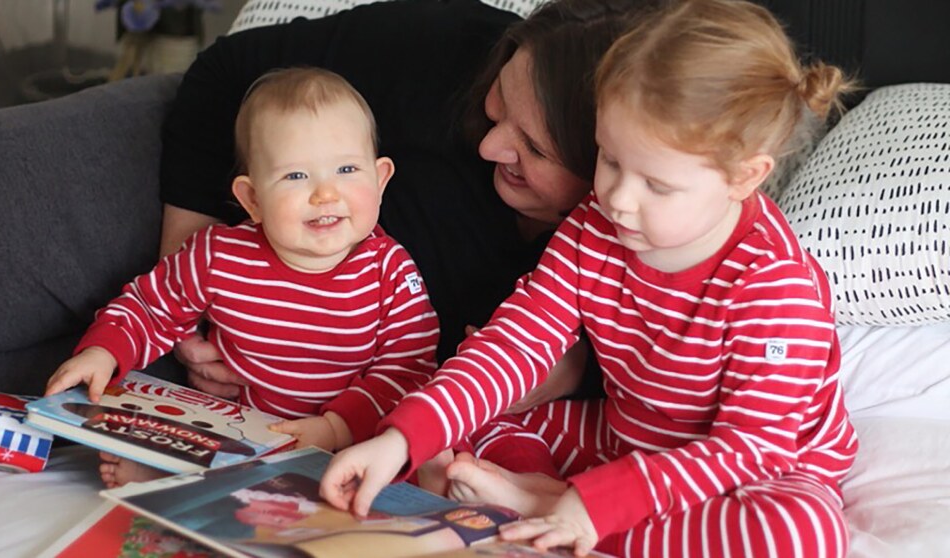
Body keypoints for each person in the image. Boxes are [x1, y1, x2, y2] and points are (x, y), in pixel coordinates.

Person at [320, 1, 860, 556]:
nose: (618, 199)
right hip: (625, 436)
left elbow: (748, 449)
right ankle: (544, 492)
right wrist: (400, 439)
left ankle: (546, 506)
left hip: (747, 473)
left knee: (800, 535)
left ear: (743, 177)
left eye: (657, 184)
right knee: (456, 415)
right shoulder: (595, 226)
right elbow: (517, 342)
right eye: (610, 159)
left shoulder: (774, 285)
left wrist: (594, 506)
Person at [159, 0, 653, 411]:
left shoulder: (663, 240)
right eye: (500, 98)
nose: (489, 148)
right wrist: (185, 285)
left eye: (535, 149)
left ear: (611, 166)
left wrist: (577, 373)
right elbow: (223, 76)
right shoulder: (440, 46)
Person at [45, 67, 440, 486]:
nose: (325, 194)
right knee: (212, 448)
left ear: (380, 180)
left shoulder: (390, 271)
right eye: (296, 176)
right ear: (252, 199)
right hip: (249, 433)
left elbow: (408, 371)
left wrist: (335, 429)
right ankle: (164, 474)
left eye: (346, 170)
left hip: (354, 443)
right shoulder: (219, 255)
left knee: (414, 462)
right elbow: (151, 307)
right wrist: (102, 353)